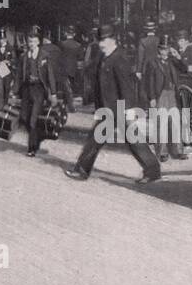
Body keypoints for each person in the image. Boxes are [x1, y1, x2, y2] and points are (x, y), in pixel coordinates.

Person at [66, 24, 162, 185]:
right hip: (107, 107)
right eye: (100, 40)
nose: (100, 43)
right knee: (97, 139)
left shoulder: (120, 58)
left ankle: (153, 170)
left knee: (132, 139)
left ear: (113, 40)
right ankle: (82, 170)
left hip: (120, 107)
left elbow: (127, 86)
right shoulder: (103, 56)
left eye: (104, 40)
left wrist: (130, 110)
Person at [19, 27, 56, 157]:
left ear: (38, 42)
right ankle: (37, 136)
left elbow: (50, 75)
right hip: (26, 89)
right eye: (29, 41)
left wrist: (53, 93)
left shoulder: (45, 55)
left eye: (34, 41)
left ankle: (32, 148)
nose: (31, 44)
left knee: (33, 119)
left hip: (39, 90)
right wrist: (13, 92)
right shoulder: (24, 56)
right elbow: (19, 75)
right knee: (24, 118)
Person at [0, 35, 16, 113]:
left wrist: (9, 62)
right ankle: (0, 106)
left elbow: (14, 59)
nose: (1, 41)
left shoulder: (11, 48)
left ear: (6, 39)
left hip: (7, 71)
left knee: (7, 87)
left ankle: (5, 104)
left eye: (3, 39)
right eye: (0, 39)